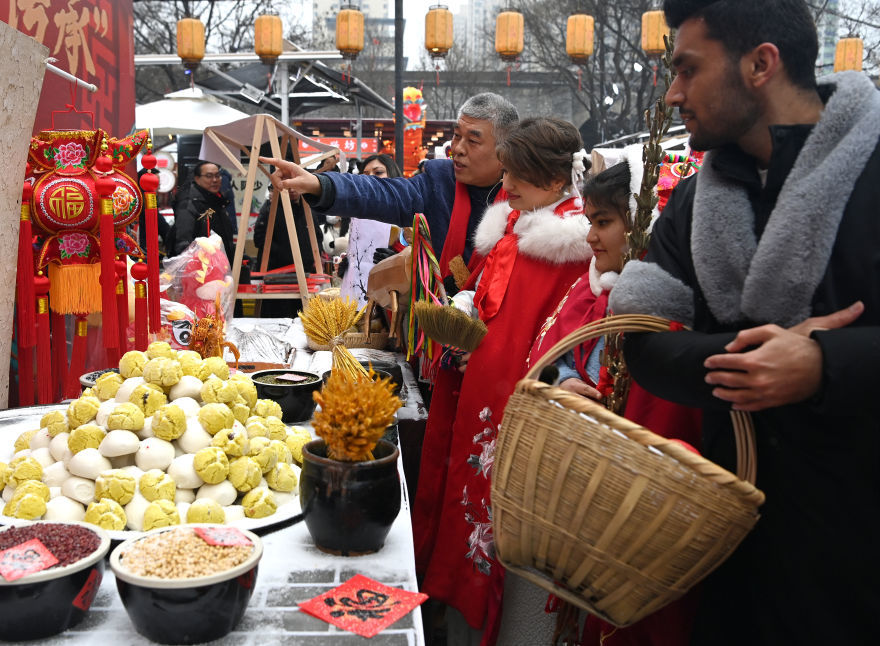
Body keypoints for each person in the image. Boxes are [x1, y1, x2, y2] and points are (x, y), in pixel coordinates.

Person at [608, 1, 880, 644]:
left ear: (761, 64)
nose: (673, 93)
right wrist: (753, 357)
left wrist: (825, 365)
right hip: (732, 559)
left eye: (687, 68)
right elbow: (641, 340)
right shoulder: (700, 200)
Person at [415, 117, 594, 645]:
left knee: (500, 539)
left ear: (557, 180)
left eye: (519, 176)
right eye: (509, 173)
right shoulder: (517, 229)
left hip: (515, 410)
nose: (507, 187)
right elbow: (489, 296)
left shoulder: (569, 248)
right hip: (480, 394)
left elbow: (560, 337)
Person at [520, 155, 702, 646]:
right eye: (590, 221)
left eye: (603, 223)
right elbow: (547, 360)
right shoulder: (593, 293)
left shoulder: (665, 323)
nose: (591, 237)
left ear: (644, 225)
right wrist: (563, 386)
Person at [259, 92, 519, 284]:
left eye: (473, 140)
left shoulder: (528, 200)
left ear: (505, 150)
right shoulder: (439, 183)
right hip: (441, 335)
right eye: (456, 135)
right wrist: (319, 184)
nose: (458, 148)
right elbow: (380, 193)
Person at [171, 160, 235, 259]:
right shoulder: (189, 204)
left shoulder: (217, 200)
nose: (214, 180)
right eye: (209, 176)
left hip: (221, 265)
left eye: (217, 175)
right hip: (203, 268)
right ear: (197, 178)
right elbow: (183, 244)